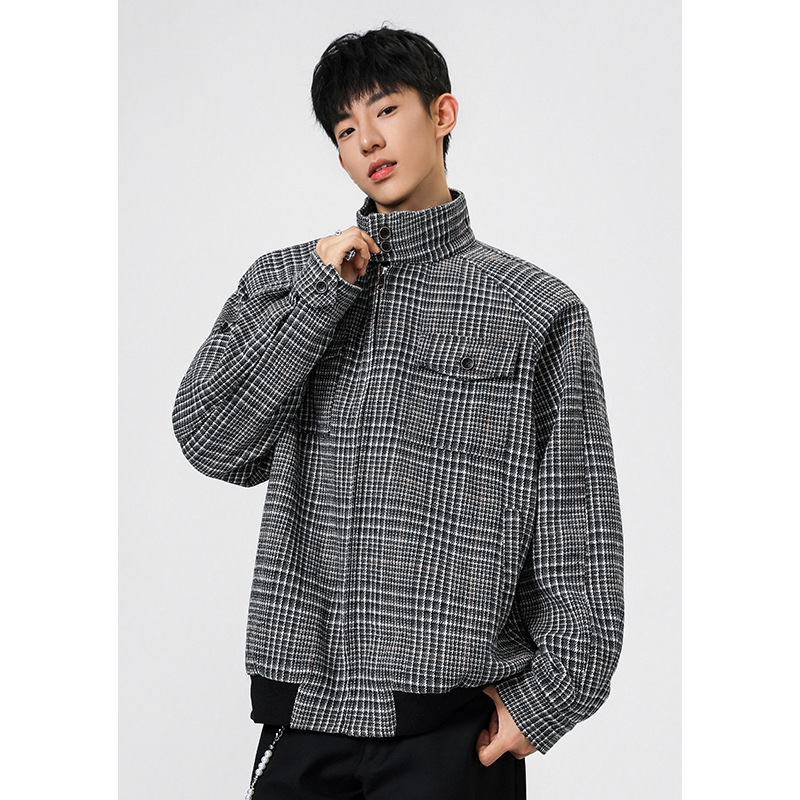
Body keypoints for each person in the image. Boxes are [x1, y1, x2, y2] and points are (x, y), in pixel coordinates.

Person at [172, 24, 625, 800]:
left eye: (385, 110)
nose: (369, 141)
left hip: (453, 731)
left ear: (442, 113)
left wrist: (549, 699)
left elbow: (575, 524)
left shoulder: (535, 310)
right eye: (345, 130)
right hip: (301, 720)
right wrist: (320, 296)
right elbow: (213, 440)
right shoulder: (289, 285)